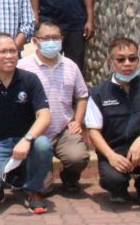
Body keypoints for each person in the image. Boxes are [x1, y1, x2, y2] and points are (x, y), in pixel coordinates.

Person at [0, 34, 52, 214]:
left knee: (44, 144)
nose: (9, 56)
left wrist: (28, 139)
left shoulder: (30, 80)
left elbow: (44, 116)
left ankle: (33, 191)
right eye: (3, 52)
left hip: (27, 142)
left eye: (13, 51)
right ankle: (2, 184)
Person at [85, 37, 140, 211]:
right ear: (111, 62)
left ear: (138, 60)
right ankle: (118, 189)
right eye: (121, 59)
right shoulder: (98, 93)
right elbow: (93, 131)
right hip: (114, 151)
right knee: (113, 180)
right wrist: (111, 156)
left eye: (133, 58)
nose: (128, 63)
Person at [17, 20, 90, 192]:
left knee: (78, 157)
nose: (51, 42)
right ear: (35, 41)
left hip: (64, 129)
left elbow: (82, 96)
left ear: (62, 39)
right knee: (44, 189)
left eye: (55, 38)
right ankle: (40, 171)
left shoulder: (71, 66)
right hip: (35, 132)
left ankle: (70, 177)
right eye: (46, 38)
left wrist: (78, 121)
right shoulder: (22, 67)